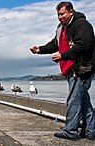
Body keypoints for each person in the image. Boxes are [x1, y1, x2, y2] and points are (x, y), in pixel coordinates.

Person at [30, 1, 95, 140]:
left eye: (62, 14)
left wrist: (63, 55)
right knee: (83, 100)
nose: (59, 17)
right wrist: (40, 50)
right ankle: (91, 131)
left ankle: (70, 131)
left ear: (71, 12)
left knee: (73, 101)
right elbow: (55, 44)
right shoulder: (61, 28)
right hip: (70, 69)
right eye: (58, 15)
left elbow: (85, 45)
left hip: (81, 68)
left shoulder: (81, 25)